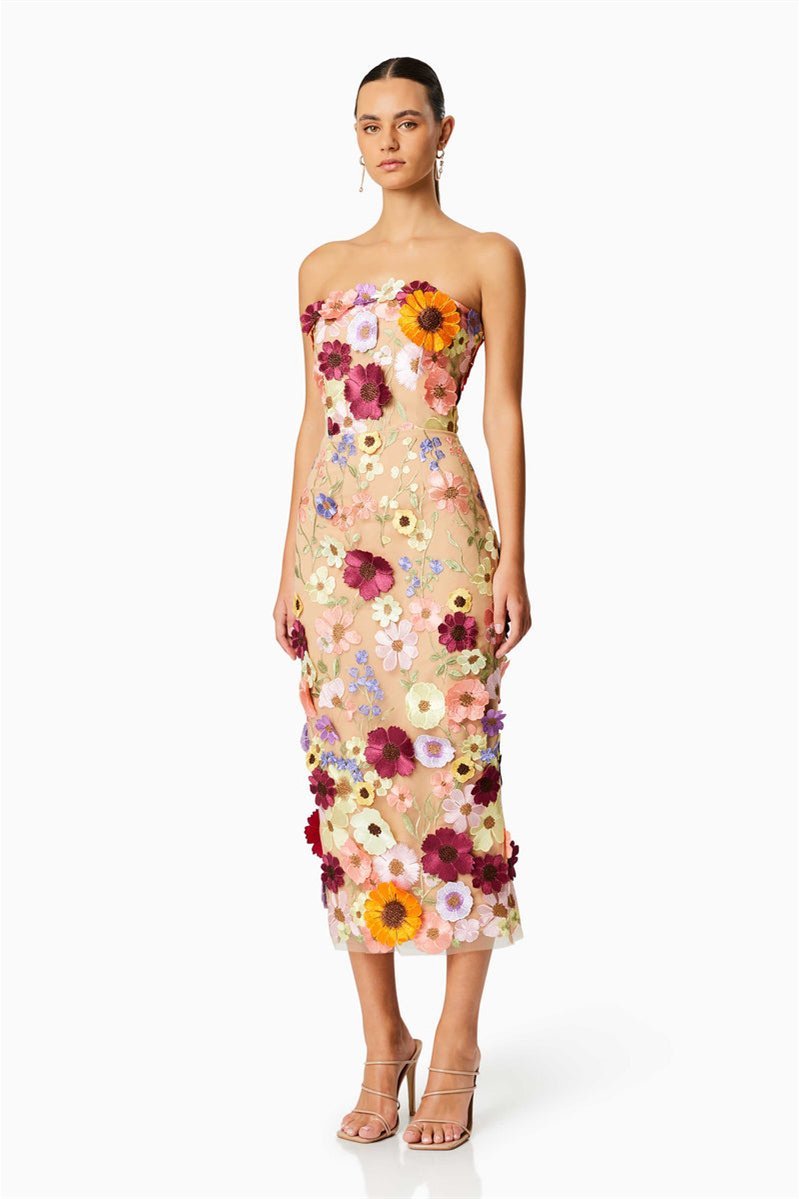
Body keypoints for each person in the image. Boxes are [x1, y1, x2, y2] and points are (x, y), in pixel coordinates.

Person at [273, 55, 532, 1150]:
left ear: (443, 131)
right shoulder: (321, 267)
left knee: (457, 787)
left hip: (445, 559)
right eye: (369, 124)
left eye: (407, 122)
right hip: (338, 560)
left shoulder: (485, 256)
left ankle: (457, 1044)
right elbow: (313, 420)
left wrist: (513, 558)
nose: (387, 141)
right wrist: (287, 561)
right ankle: (384, 1042)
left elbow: (504, 410)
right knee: (350, 792)